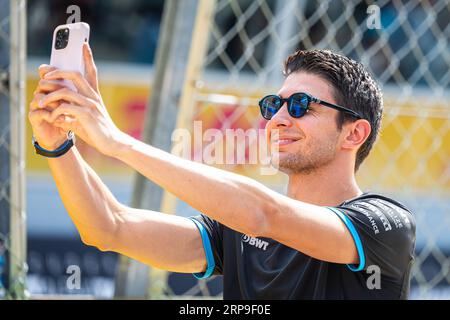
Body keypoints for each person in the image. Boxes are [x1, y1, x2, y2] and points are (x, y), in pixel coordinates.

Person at [28, 43, 415, 299]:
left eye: (300, 105)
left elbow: (264, 214)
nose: (278, 119)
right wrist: (57, 143)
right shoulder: (239, 229)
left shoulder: (385, 223)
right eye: (273, 106)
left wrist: (117, 142)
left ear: (354, 133)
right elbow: (108, 227)